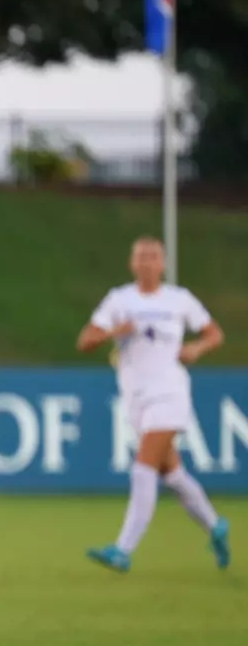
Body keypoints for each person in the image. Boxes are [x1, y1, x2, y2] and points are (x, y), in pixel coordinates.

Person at [77, 236, 230, 571]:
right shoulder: (119, 300)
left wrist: (196, 349)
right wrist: (114, 332)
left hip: (169, 392)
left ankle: (123, 550)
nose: (147, 261)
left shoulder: (179, 299)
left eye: (153, 256)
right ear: (132, 263)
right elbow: (85, 341)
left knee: (143, 467)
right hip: (135, 396)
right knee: (172, 474)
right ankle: (215, 525)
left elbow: (214, 333)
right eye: (141, 256)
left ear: (163, 264)